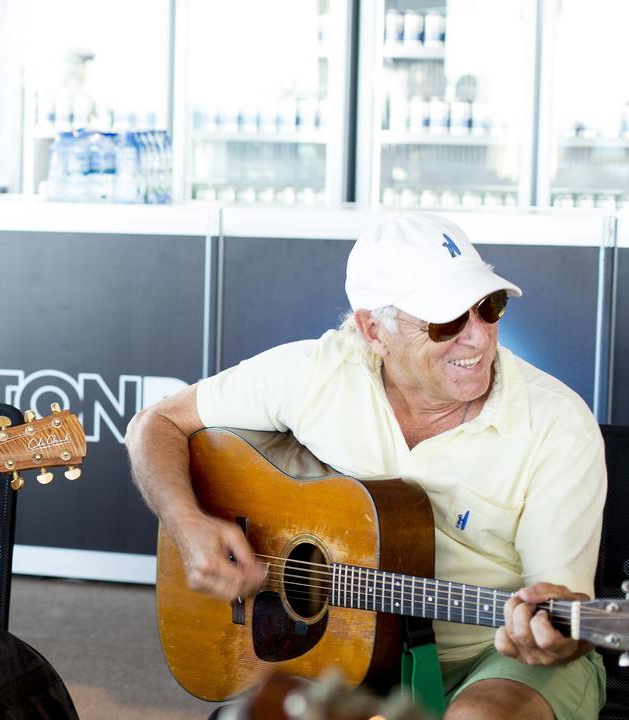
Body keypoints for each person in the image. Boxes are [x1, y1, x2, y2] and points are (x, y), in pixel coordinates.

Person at [126, 212, 607, 720]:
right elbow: (155, 424)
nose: (478, 337)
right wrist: (187, 524)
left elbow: (561, 604)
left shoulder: (557, 423)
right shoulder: (317, 373)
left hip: (492, 653)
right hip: (344, 650)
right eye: (446, 321)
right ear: (373, 329)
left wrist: (553, 638)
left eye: (489, 307)